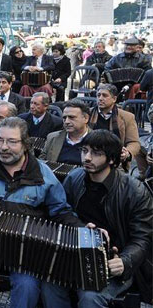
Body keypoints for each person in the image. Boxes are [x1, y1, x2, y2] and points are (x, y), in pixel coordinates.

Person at [0, 117, 83, 308]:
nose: (3, 147)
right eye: (0, 140)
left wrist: (83, 230)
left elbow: (60, 211)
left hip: (25, 249)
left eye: (11, 141)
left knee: (28, 285)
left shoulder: (43, 174)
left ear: (25, 144)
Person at [41, 129, 153, 308]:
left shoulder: (135, 191)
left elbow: (143, 237)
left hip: (113, 260)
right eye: (84, 151)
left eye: (96, 153)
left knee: (90, 296)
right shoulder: (74, 178)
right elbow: (62, 213)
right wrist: (82, 227)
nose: (87, 158)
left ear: (111, 159)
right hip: (74, 256)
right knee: (49, 286)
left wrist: (124, 261)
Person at [89, 84, 140, 169]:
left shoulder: (127, 117)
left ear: (114, 99)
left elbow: (134, 142)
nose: (100, 98)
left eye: (104, 95)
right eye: (98, 95)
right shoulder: (87, 114)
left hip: (115, 161)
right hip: (90, 157)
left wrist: (127, 153)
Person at [41, 99, 91, 164]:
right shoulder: (52, 138)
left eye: (72, 117)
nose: (67, 122)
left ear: (86, 118)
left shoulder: (97, 140)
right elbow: (42, 163)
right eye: (64, 118)